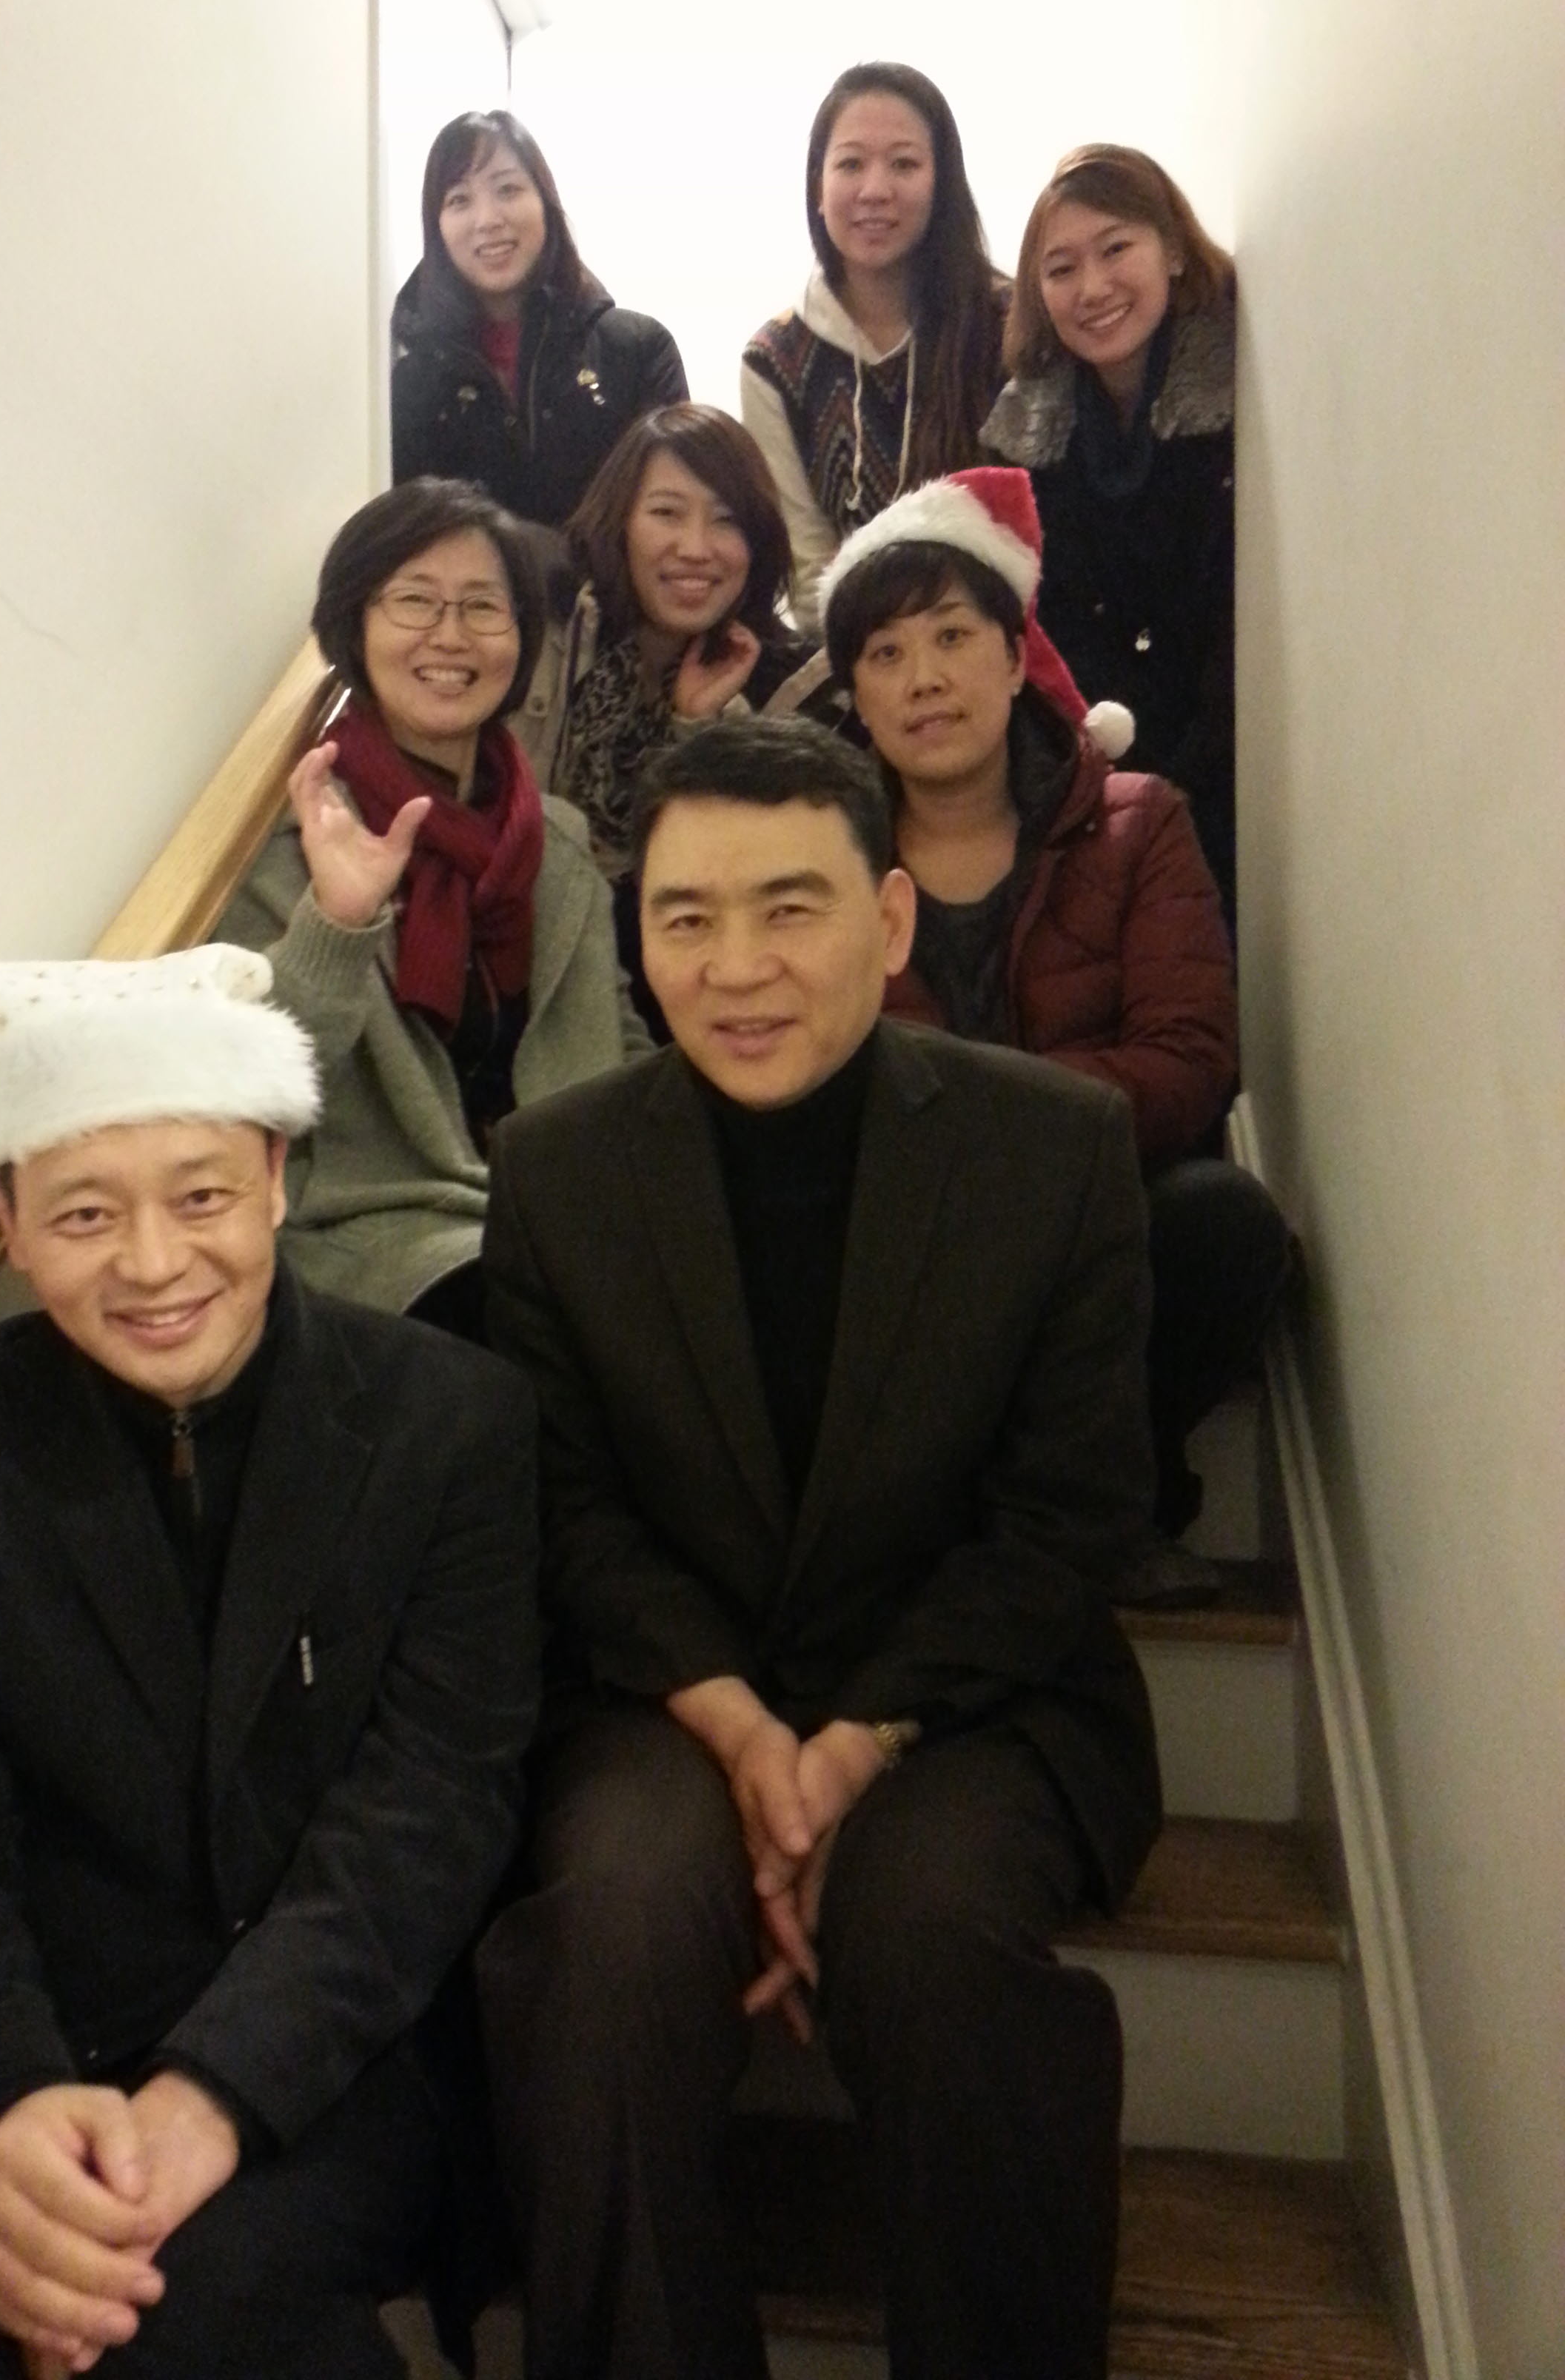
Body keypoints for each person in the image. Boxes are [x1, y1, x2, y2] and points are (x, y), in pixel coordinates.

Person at [477, 715, 1164, 2379]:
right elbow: (564, 1506)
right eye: (685, 917)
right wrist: (737, 1727)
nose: (736, 968)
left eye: (789, 907)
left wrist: (851, 1745)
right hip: (669, 1692)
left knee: (930, 1932)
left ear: (892, 914)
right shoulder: (554, 1169)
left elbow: (1068, 1518)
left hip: (972, 1694)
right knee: (613, 1927)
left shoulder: (1051, 1147)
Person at [0, 945, 540, 2380]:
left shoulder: (452, 1426)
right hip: (26, 2036)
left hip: (331, 2049)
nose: (152, 1263)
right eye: (85, 1211)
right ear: (8, 1221)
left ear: (274, 1179)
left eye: (200, 1196)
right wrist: (3, 2106)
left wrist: (210, 2094)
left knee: (189, 2322)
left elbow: (430, 1813)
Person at [820, 464, 1290, 1553]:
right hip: (907, 1222)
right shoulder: (826, 857)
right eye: (885, 654)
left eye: (951, 637)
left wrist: (1003, 1127)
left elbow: (1189, 1056)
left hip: (1095, 1204)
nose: (923, 679)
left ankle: (1111, 1501)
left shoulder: (1137, 820)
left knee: (1225, 1224)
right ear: (858, 694)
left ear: (1012, 652)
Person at [216, 478, 649, 1338]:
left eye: (484, 607)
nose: (450, 636)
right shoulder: (292, 845)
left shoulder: (554, 842)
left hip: (563, 1210)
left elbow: (619, 1041)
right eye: (414, 601)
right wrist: (336, 923)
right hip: (386, 1243)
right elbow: (248, 1089)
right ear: (356, 624)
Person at [982, 144, 1239, 932]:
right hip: (1087, 785)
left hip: (1228, 775)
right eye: (1060, 269)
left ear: (1173, 250)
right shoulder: (1022, 431)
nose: (1092, 289)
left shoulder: (1246, 393)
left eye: (1116, 249)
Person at [514, 402, 831, 1022]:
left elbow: (683, 881)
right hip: (522, 955)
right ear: (620, 522)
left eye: (726, 521)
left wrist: (691, 724)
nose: (695, 548)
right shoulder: (543, 632)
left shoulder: (771, 684)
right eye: (666, 514)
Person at [742, 61, 1008, 635]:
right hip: (854, 657)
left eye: (904, 164)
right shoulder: (774, 360)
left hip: (998, 650)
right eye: (851, 164)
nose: (875, 190)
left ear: (942, 184)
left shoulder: (1007, 326)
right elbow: (809, 572)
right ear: (818, 187)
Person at [390, 110, 688, 531]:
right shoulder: (407, 387)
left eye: (508, 189)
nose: (488, 220)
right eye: (459, 200)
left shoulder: (639, 351)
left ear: (546, 204)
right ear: (436, 227)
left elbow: (671, 519)